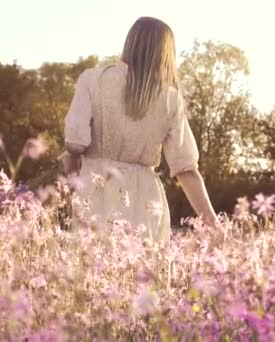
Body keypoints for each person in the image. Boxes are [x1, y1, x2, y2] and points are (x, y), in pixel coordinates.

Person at [60, 16, 218, 242]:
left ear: (130, 42)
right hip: (145, 201)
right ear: (166, 54)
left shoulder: (92, 80)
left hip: (96, 193)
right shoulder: (170, 99)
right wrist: (213, 223)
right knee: (142, 274)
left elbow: (76, 142)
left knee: (94, 272)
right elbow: (186, 169)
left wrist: (73, 161)